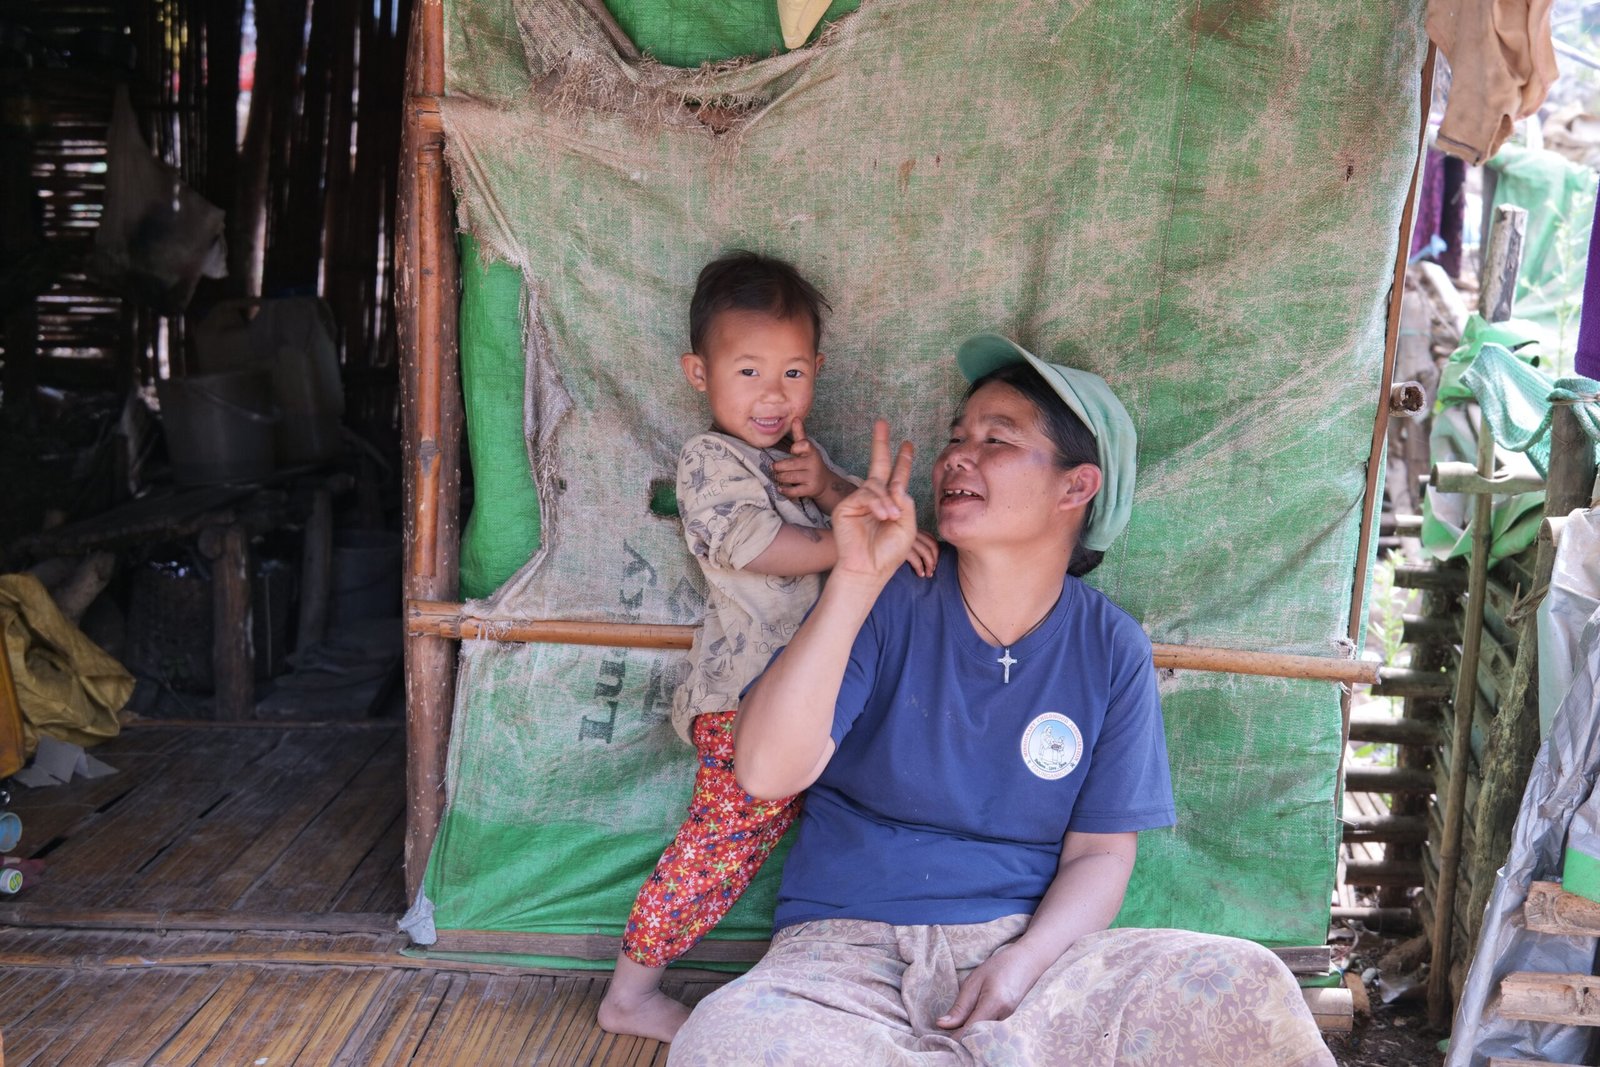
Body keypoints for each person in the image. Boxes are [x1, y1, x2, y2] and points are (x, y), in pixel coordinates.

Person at [666, 335, 1336, 1065]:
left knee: (1245, 985)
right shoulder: (886, 599)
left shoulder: (1111, 648)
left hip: (1032, 961)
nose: (960, 455)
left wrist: (1021, 964)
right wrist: (854, 581)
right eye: (958, 437)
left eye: (996, 440)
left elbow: (1102, 853)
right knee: (722, 1041)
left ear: (1076, 487)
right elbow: (764, 771)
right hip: (843, 961)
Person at [598, 250, 938, 1042]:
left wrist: (831, 489)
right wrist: (849, 549)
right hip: (744, 702)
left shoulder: (796, 461)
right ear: (698, 372)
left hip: (823, 697)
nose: (771, 394)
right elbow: (755, 545)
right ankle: (630, 994)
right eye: (747, 371)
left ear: (817, 370)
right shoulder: (709, 460)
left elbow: (861, 519)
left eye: (791, 372)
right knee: (718, 847)